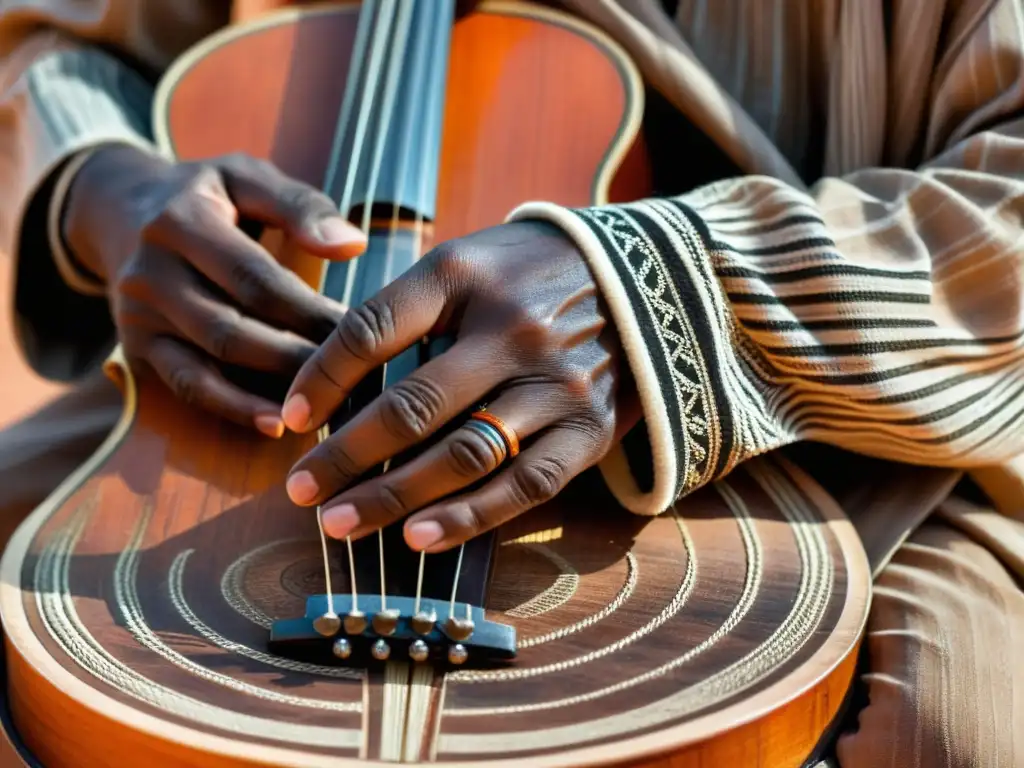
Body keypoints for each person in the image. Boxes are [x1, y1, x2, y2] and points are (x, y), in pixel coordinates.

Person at [1, 0, 1023, 765]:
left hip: (853, 406)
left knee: (949, 734)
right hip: (274, 383)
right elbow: (66, 43)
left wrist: (652, 301)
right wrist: (102, 183)